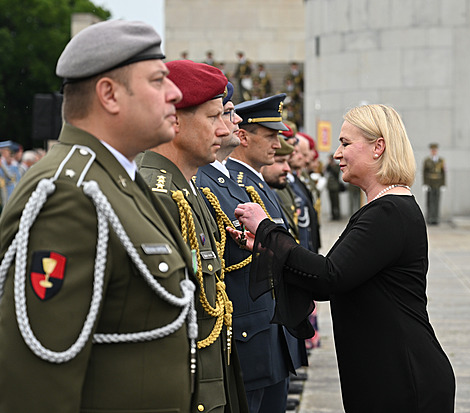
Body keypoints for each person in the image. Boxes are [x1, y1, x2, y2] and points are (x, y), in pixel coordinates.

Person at [0, 20, 199, 411]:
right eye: (159, 80)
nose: (175, 93)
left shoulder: (116, 179)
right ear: (109, 94)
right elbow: (39, 382)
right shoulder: (69, 194)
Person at [229, 104, 456, 412]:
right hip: (387, 371)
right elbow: (327, 281)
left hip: (403, 376)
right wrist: (268, 247)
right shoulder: (384, 208)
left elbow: (329, 276)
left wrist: (268, 229)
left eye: (346, 143)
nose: (336, 154)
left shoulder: (389, 211)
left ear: (378, 147)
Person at [135, 60, 248, 413]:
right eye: (213, 117)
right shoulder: (160, 195)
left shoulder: (188, 189)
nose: (224, 129)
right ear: (175, 120)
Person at [224, 93, 308, 413]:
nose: (278, 143)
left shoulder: (258, 184)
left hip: (270, 333)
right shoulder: (234, 184)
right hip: (252, 334)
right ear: (243, 136)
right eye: (271, 135)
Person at [422, 142, 446, 225]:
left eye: (435, 150)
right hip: (430, 183)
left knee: (437, 201)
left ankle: (436, 219)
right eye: (432, 150)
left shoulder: (441, 160)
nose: (434, 152)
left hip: (438, 183)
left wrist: (443, 184)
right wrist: (425, 184)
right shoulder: (427, 160)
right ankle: (430, 218)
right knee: (430, 201)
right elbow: (424, 172)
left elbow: (443, 173)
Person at [326, 153, 342, 220]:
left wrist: (332, 165)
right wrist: (329, 164)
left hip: (335, 187)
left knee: (336, 202)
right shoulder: (329, 166)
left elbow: (336, 173)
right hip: (330, 187)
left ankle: (337, 215)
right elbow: (326, 170)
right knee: (331, 202)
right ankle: (333, 215)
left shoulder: (336, 166)